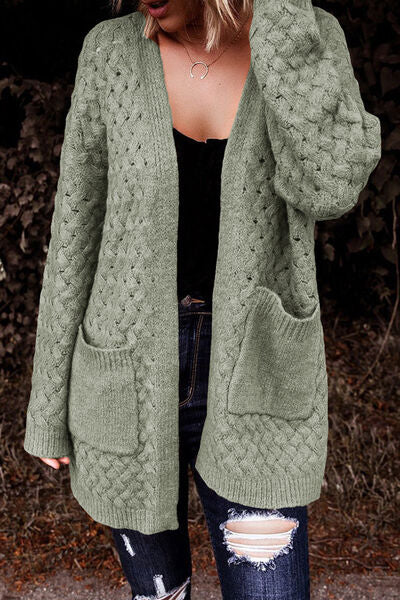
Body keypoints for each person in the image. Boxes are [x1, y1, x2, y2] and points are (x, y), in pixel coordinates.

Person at [23, 0, 381, 598]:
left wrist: (281, 20)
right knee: (159, 594)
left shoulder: (306, 38)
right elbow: (76, 232)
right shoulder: (110, 51)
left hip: (257, 368)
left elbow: (329, 187)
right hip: (127, 371)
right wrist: (47, 404)